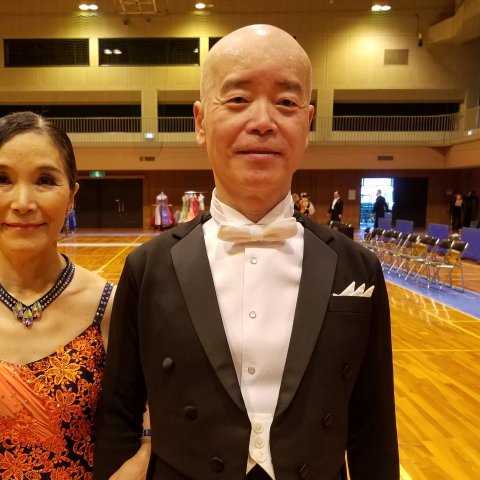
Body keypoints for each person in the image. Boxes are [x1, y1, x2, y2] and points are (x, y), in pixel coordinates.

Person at [94, 24, 398, 480]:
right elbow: (118, 415)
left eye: (286, 102)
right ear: (201, 122)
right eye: (238, 99)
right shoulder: (148, 267)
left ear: (307, 124)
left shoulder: (358, 268)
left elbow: (373, 429)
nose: (263, 121)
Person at [0, 112, 149, 480]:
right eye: (1, 179)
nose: (23, 202)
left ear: (71, 197)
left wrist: (142, 458)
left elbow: (148, 431)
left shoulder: (112, 307)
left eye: (45, 180)